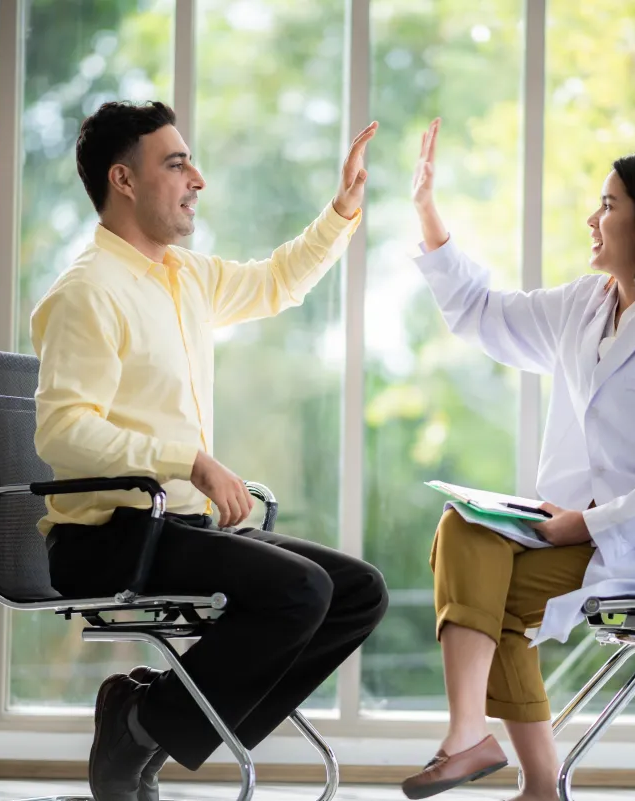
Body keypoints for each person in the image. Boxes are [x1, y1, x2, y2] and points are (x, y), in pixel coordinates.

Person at [30, 100, 389, 801]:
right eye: (176, 164)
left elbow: (278, 280)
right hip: (105, 538)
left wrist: (342, 209)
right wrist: (189, 460)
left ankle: (145, 722)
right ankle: (145, 726)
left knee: (357, 592)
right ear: (123, 180)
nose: (198, 179)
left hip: (176, 529)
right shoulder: (87, 292)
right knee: (300, 591)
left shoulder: (184, 277)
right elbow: (63, 432)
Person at [399, 119, 635, 801]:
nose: (592, 219)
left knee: (493, 592)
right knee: (461, 528)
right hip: (578, 528)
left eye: (608, 205)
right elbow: (480, 312)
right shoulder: (585, 307)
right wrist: (427, 212)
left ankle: (530, 778)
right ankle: (475, 739)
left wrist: (589, 524)